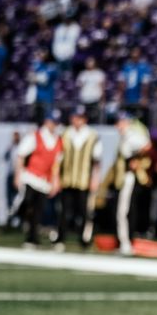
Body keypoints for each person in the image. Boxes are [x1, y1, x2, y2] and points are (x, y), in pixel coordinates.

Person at [55, 106, 103, 249]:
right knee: (64, 210)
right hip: (67, 179)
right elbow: (58, 159)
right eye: (75, 117)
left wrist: (95, 179)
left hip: (84, 180)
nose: (77, 120)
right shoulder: (65, 133)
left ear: (85, 119)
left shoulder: (92, 135)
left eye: (80, 118)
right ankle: (60, 238)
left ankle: (84, 238)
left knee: (84, 211)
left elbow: (97, 161)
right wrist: (56, 177)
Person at [14, 110, 62, 248]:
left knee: (38, 210)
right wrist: (18, 175)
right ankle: (18, 215)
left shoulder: (58, 140)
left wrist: (55, 181)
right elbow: (21, 155)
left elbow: (56, 165)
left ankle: (32, 238)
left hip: (44, 181)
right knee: (27, 202)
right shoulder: (35, 136)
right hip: (31, 177)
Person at [113, 112, 153, 256]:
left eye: (119, 122)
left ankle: (126, 242)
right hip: (124, 177)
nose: (117, 125)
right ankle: (124, 241)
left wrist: (136, 158)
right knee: (122, 211)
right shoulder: (126, 135)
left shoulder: (133, 134)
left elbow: (147, 145)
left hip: (130, 177)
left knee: (124, 211)